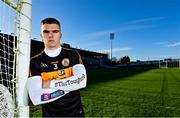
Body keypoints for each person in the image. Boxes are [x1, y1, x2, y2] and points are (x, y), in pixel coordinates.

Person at [27, 17, 87, 117]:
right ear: (41, 36)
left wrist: (49, 83)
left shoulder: (73, 54)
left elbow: (82, 81)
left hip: (76, 114)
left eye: (55, 31)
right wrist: (71, 86)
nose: (51, 35)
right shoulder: (34, 62)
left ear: (60, 35)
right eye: (46, 32)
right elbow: (36, 97)